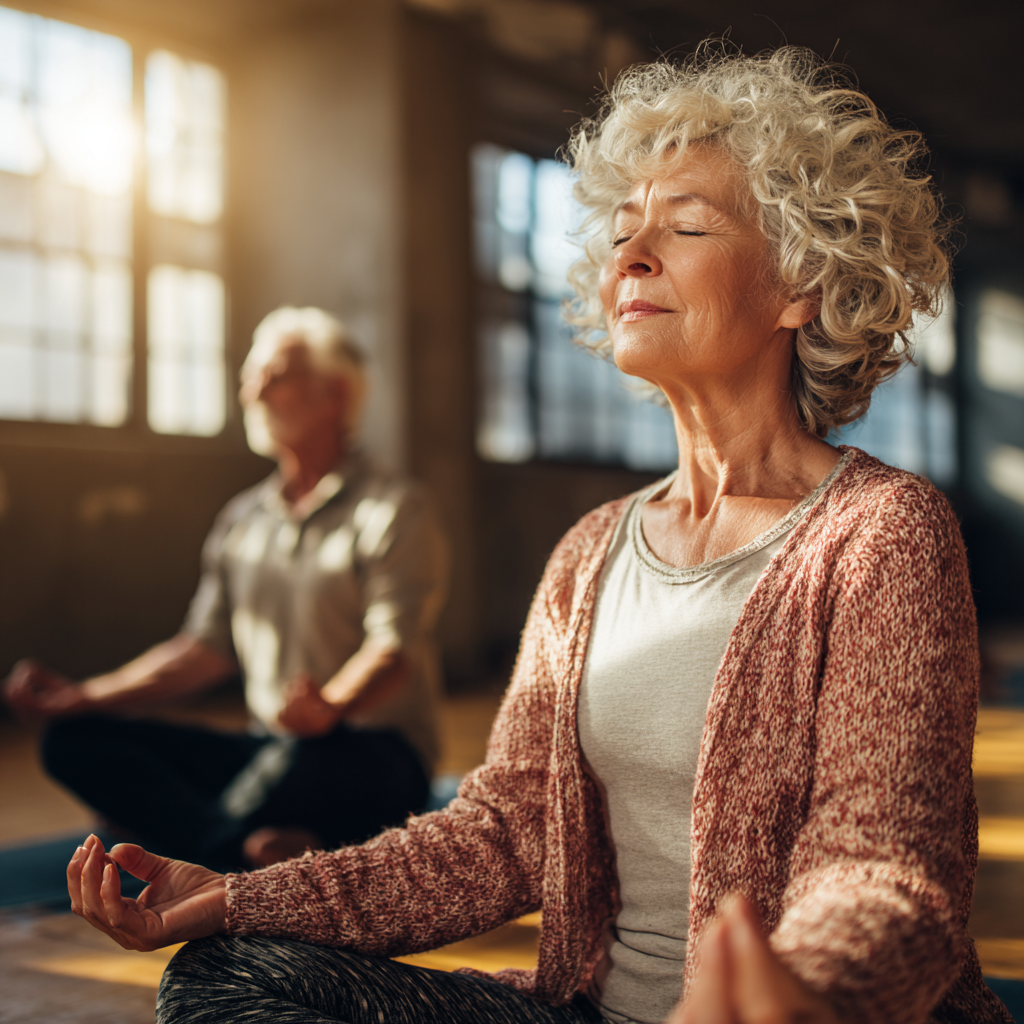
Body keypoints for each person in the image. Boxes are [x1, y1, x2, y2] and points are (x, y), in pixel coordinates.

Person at [62, 47, 1012, 1024]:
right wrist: (232, 895)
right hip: (592, 1010)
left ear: (799, 285)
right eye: (623, 231)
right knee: (227, 971)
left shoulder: (879, 533)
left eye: (684, 227)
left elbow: (887, 863)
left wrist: (801, 989)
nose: (631, 256)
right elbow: (503, 834)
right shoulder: (589, 553)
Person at [6, 306, 449, 871]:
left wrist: (331, 705)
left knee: (289, 774)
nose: (253, 390)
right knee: (70, 742)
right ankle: (246, 848)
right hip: (269, 747)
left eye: (276, 375)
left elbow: (393, 647)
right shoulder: (243, 520)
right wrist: (84, 697)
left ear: (333, 394)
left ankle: (196, 837)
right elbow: (202, 651)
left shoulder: (394, 507)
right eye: (250, 374)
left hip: (372, 754)